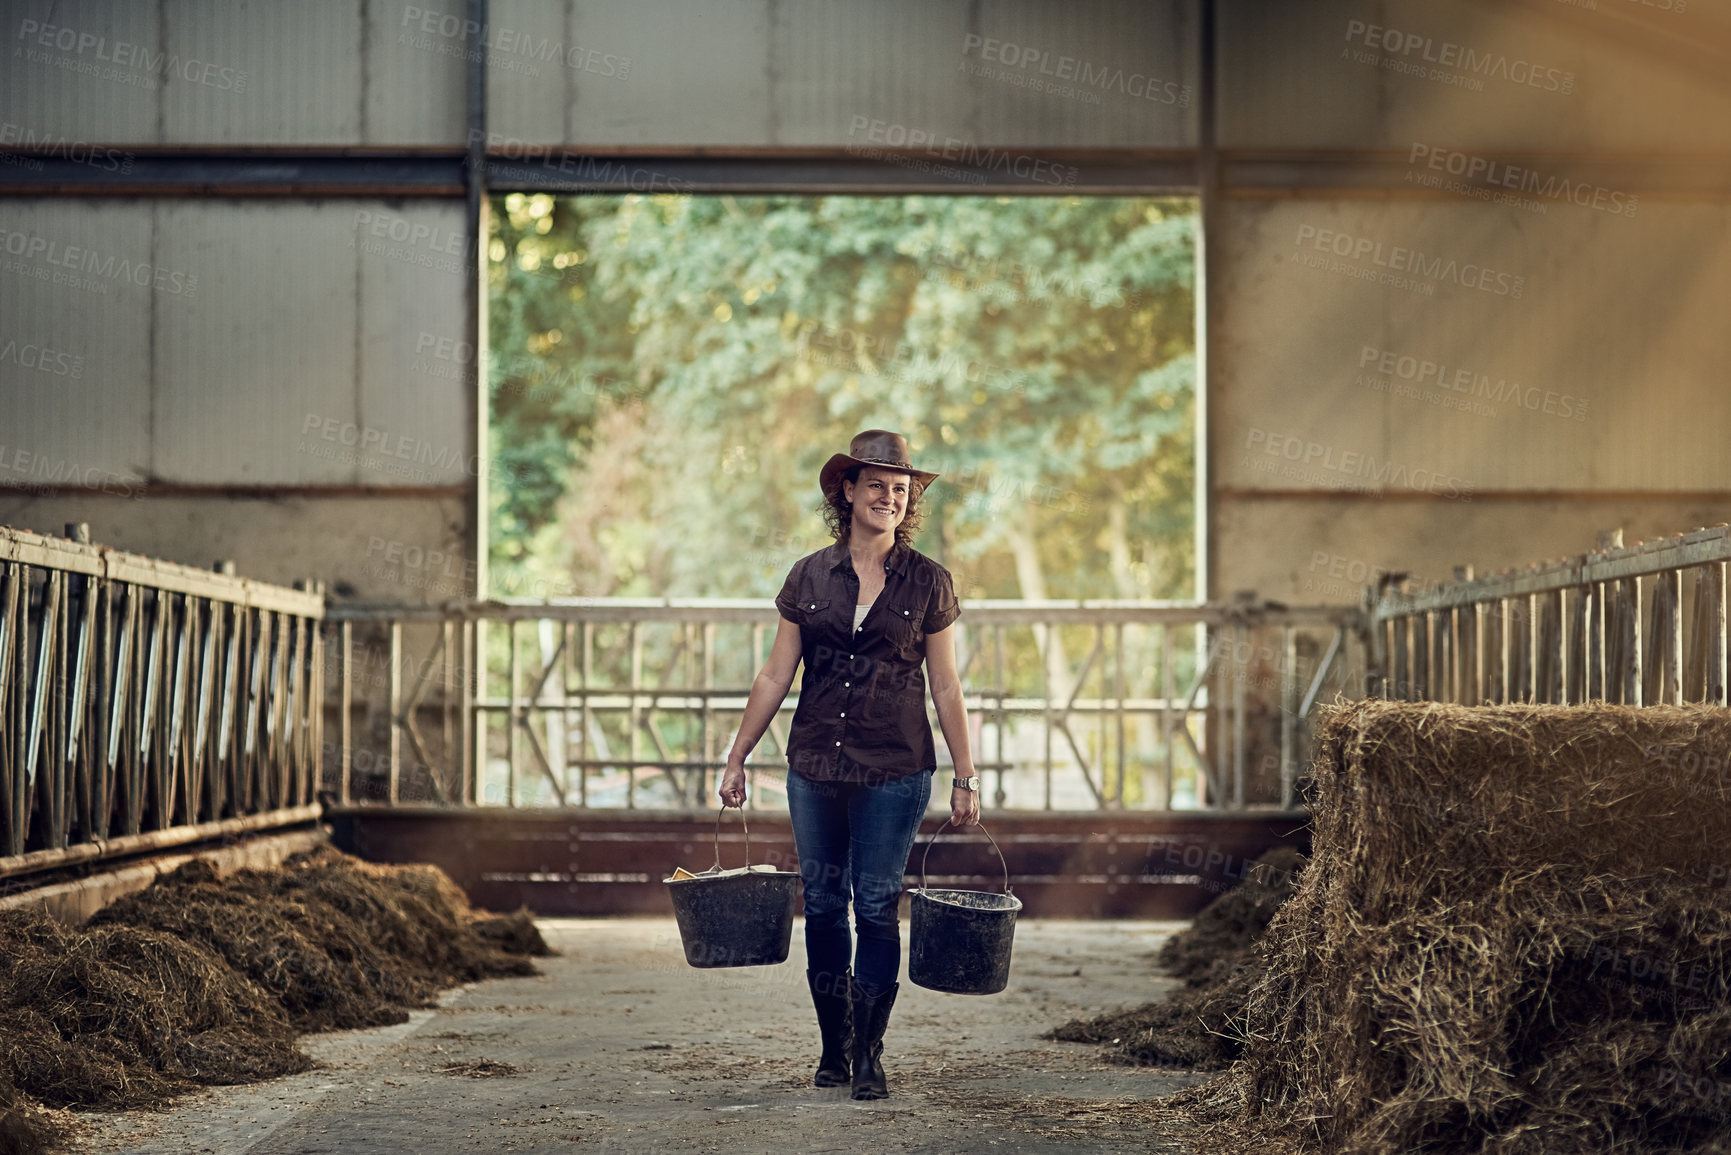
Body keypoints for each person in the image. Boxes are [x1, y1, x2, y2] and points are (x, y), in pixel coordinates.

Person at [719, 429, 982, 1102]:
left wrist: (965, 773)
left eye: (900, 490)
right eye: (877, 486)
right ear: (847, 490)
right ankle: (832, 1049)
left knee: (873, 904)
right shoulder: (808, 575)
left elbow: (946, 685)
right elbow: (776, 673)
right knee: (826, 904)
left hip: (893, 769)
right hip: (813, 766)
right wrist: (737, 753)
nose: (889, 498)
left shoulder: (928, 582)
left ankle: (870, 1053)